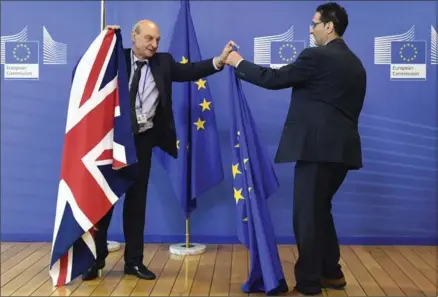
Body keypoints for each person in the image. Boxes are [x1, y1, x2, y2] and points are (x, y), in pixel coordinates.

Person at [224, 3, 366, 295]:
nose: (311, 29)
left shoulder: (316, 56)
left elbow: (274, 80)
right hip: (343, 154)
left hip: (315, 151)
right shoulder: (356, 64)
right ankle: (332, 273)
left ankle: (309, 282)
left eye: (314, 24)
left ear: (329, 26)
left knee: (307, 216)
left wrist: (238, 62)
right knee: (320, 211)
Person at [81, 19, 236, 281]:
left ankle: (134, 262)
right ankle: (95, 261)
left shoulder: (163, 63)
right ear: (134, 37)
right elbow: (88, 72)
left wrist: (219, 60)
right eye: (149, 39)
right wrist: (105, 40)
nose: (154, 45)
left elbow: (190, 71)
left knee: (136, 203)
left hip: (142, 141)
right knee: (104, 203)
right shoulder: (115, 58)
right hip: (113, 141)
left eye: (157, 40)